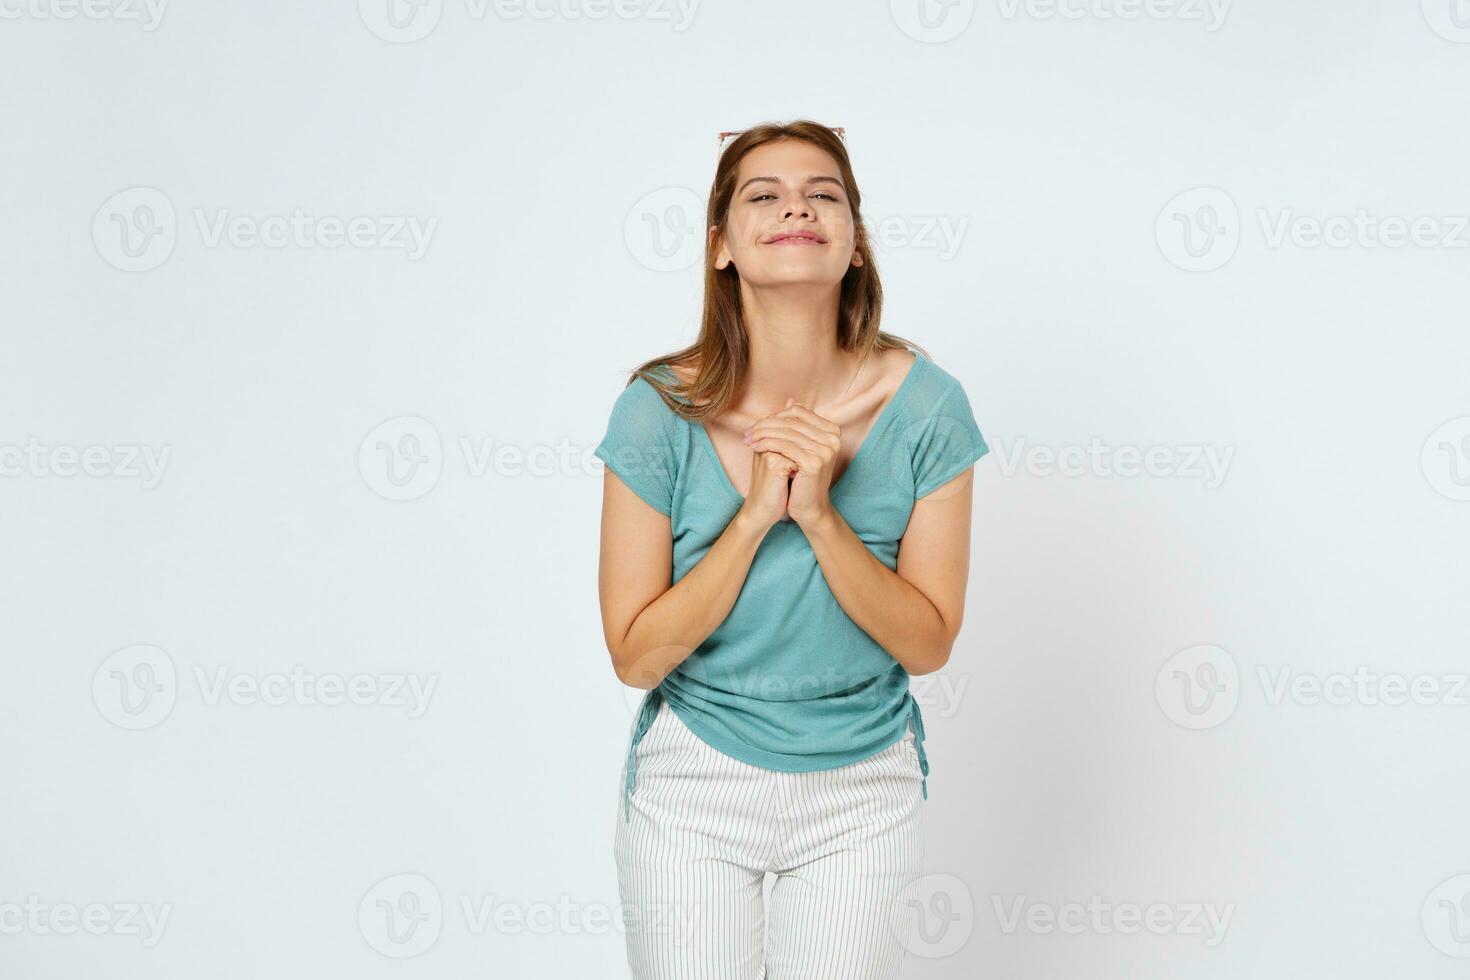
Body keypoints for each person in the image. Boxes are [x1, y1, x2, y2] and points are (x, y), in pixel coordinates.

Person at [593, 119, 989, 978]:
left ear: (854, 243)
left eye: (824, 194)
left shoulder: (929, 407)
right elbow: (635, 655)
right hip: (695, 779)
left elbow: (927, 644)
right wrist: (751, 519)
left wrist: (819, 516)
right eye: (761, 195)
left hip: (862, 788)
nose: (795, 208)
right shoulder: (656, 408)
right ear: (721, 245)